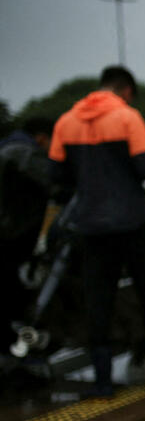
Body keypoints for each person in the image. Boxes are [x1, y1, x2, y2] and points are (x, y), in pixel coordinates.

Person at [48, 65, 145, 397]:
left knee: (98, 298)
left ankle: (103, 379)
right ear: (126, 90)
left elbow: (57, 175)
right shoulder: (128, 117)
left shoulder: (66, 122)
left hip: (90, 226)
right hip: (134, 221)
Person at [0, 117, 63, 353]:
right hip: (11, 234)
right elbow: (53, 183)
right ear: (41, 137)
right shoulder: (24, 154)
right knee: (12, 291)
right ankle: (15, 350)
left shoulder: (7, 147)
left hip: (8, 232)